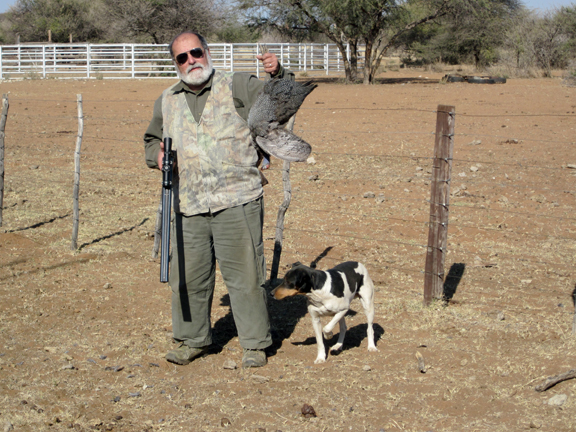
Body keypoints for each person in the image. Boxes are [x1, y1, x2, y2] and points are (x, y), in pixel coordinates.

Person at [144, 31, 294, 368]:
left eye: (195, 52)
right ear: (176, 63)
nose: (191, 61)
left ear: (207, 51)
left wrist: (278, 74)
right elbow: (152, 139)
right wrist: (157, 155)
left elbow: (279, 105)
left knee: (245, 278)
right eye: (182, 57)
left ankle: (254, 344)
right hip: (188, 202)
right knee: (188, 277)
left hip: (237, 198)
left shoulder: (238, 85)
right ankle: (192, 339)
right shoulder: (166, 99)